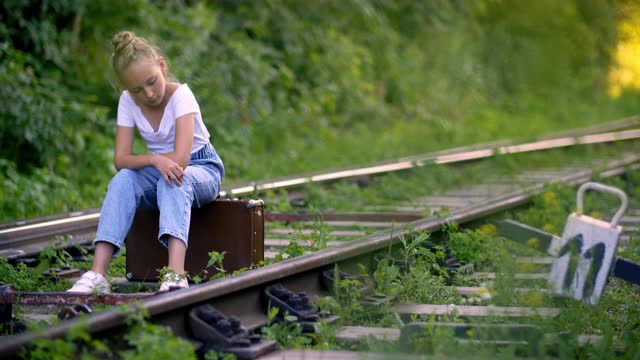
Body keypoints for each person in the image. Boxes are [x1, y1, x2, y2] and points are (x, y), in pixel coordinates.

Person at [68, 31, 224, 293]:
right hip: (160, 168)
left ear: (162, 66)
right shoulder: (128, 102)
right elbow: (121, 159)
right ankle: (97, 274)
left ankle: (175, 275)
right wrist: (154, 159)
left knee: (173, 179)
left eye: (152, 82)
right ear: (125, 89)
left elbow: (181, 159)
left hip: (202, 168)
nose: (149, 94)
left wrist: (160, 163)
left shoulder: (181, 96)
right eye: (137, 89)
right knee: (122, 181)